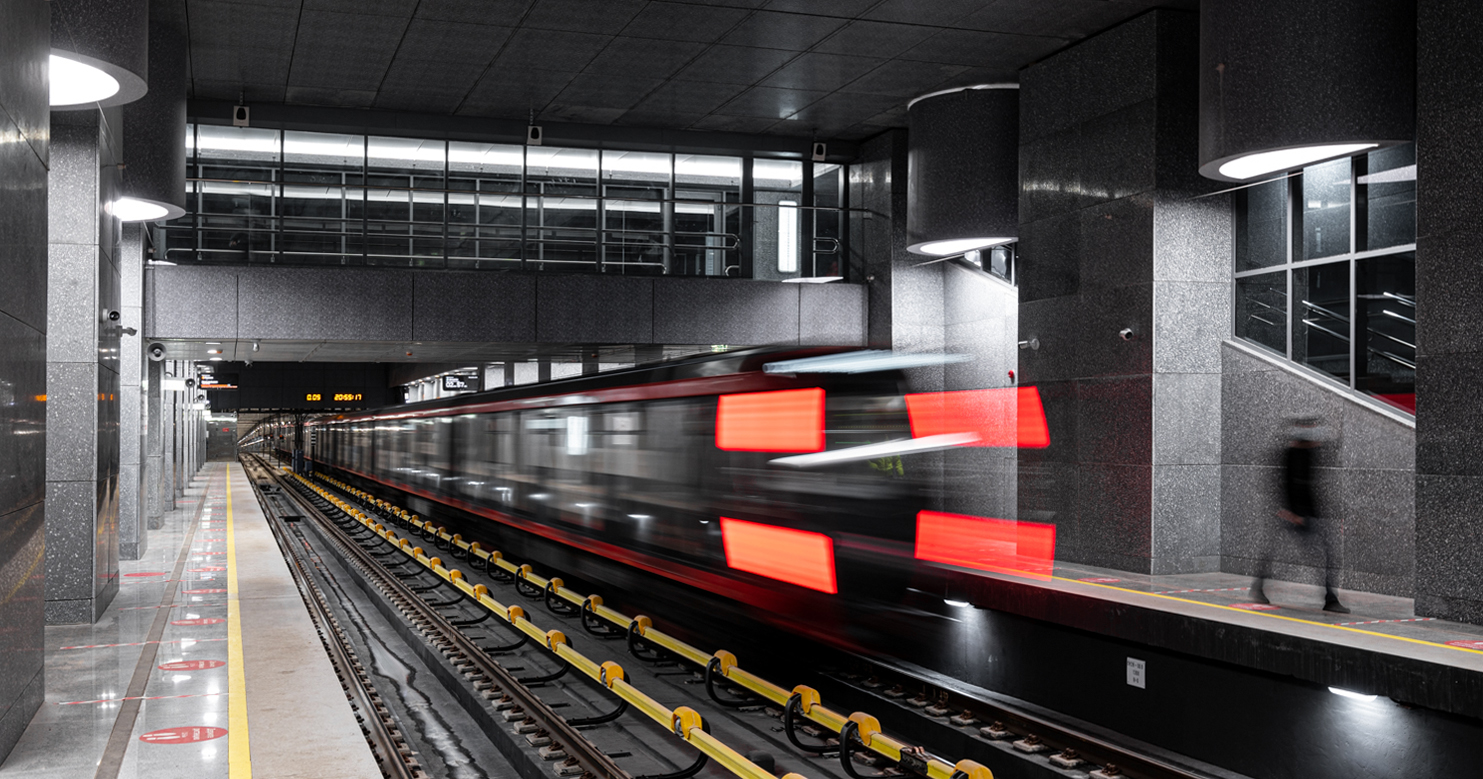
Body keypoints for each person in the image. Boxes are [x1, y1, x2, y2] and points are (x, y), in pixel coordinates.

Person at [1250, 416, 1348, 613]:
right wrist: (1291, 513)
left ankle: (1330, 598)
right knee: (1318, 555)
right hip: (1295, 515)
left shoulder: (1311, 453)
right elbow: (1286, 484)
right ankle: (1330, 599)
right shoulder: (1291, 455)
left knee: (1322, 554)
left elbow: (1312, 485)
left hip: (1310, 514)